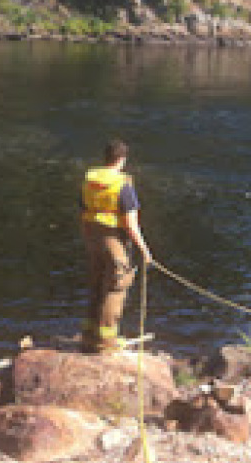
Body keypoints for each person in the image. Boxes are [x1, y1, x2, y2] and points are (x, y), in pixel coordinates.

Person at [80, 139, 154, 353]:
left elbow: (83, 212)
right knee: (115, 288)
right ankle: (106, 342)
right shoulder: (124, 186)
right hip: (114, 240)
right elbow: (131, 225)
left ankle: (89, 335)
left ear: (105, 157)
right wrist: (145, 251)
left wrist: (87, 238)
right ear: (122, 159)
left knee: (96, 284)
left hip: (93, 236)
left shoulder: (89, 181)